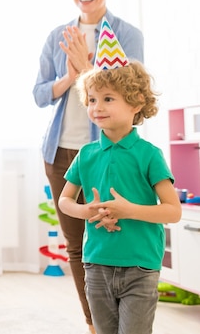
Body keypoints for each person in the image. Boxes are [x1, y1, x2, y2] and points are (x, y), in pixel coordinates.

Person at [32, 0, 143, 332]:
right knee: (77, 247)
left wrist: (89, 72)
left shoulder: (128, 35)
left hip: (109, 151)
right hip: (61, 152)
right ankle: (93, 323)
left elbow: (133, 94)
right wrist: (71, 75)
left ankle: (124, 318)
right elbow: (40, 94)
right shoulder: (57, 36)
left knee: (110, 241)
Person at [58, 51, 182, 334]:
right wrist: (84, 211)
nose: (96, 107)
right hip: (97, 262)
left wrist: (129, 210)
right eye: (92, 99)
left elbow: (173, 211)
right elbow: (65, 200)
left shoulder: (149, 155)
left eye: (108, 98)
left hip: (140, 265)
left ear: (136, 102)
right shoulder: (86, 154)